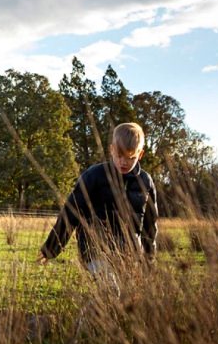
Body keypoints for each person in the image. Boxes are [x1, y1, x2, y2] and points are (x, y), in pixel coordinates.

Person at [38, 122, 158, 292]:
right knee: (110, 289)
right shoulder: (94, 175)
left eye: (130, 157)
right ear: (111, 150)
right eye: (119, 155)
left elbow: (149, 226)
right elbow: (71, 212)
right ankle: (88, 319)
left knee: (125, 298)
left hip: (129, 253)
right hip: (94, 250)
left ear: (140, 154)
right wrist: (51, 249)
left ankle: (88, 319)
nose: (123, 162)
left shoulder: (146, 182)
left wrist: (149, 260)